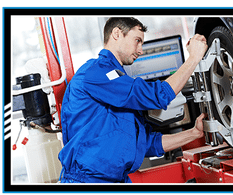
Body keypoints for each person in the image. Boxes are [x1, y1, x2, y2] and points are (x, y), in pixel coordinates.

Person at [58, 17, 208, 183]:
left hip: (116, 180)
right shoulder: (96, 73)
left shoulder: (118, 80)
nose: (141, 50)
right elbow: (157, 96)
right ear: (117, 34)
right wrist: (193, 58)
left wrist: (194, 133)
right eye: (137, 41)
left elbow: (146, 144)